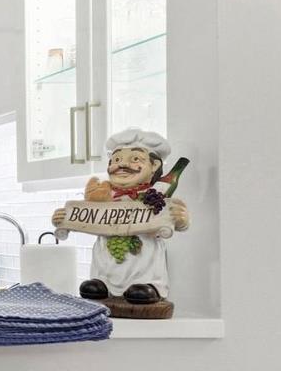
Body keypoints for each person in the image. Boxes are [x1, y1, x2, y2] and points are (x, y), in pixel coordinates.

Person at [52, 128, 190, 305]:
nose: (121, 165)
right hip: (106, 254)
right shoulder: (102, 195)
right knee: (103, 262)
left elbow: (172, 218)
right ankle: (103, 284)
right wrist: (63, 218)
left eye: (135, 159)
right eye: (116, 160)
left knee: (144, 260)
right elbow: (83, 216)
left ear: (154, 166)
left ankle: (150, 285)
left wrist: (182, 219)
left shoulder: (155, 195)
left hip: (144, 255)